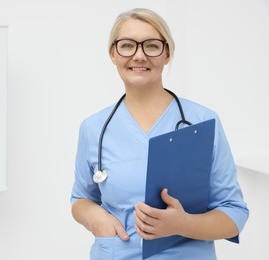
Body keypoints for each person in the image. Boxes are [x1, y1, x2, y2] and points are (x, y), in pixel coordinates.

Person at [70, 8, 249, 260]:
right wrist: (94, 217)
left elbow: (234, 214)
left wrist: (182, 224)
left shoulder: (203, 121)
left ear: (167, 54)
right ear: (113, 53)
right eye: (127, 45)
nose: (139, 55)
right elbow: (80, 198)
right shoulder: (93, 128)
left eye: (151, 46)